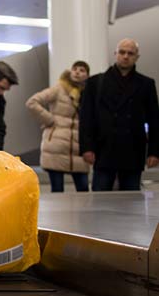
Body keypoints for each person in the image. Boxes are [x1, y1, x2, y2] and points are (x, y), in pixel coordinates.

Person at [79, 38, 159, 191]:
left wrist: (154, 152)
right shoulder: (95, 83)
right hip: (103, 149)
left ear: (137, 57)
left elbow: (154, 120)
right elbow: (86, 118)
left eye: (130, 53)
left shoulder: (146, 84)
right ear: (115, 54)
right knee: (100, 198)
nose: (126, 56)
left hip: (133, 149)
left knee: (132, 201)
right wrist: (86, 148)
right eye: (122, 52)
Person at [26, 61, 90, 192]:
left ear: (87, 75)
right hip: (55, 146)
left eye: (82, 70)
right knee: (57, 191)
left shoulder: (88, 93)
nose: (77, 72)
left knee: (83, 190)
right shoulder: (59, 88)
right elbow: (32, 102)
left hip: (78, 148)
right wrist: (49, 120)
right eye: (75, 69)